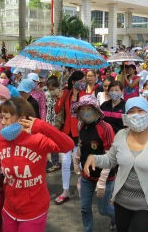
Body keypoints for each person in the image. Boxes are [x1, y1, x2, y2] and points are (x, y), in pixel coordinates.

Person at [0, 98, 75, 231]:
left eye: (6, 118)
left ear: (21, 118)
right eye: (1, 118)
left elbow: (68, 145)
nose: (2, 122)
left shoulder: (37, 139)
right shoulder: (3, 139)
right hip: (9, 208)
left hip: (33, 212)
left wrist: (43, 126)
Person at [83, 97, 148, 232]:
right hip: (121, 203)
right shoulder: (121, 135)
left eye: (140, 111)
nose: (136, 115)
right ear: (126, 116)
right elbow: (110, 160)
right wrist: (94, 158)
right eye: (131, 111)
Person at [72, 95, 116, 232]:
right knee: (85, 208)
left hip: (105, 177)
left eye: (89, 108)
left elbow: (111, 156)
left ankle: (118, 217)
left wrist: (102, 180)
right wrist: (77, 160)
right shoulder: (81, 125)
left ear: (96, 109)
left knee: (103, 210)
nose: (86, 111)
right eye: (82, 109)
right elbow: (81, 145)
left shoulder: (106, 128)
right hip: (87, 176)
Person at [54, 71, 86, 205]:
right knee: (66, 163)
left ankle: (81, 184)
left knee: (78, 163)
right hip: (66, 132)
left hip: (80, 133)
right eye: (81, 80)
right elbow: (57, 110)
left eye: (84, 81)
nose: (83, 83)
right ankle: (65, 190)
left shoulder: (85, 95)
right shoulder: (65, 93)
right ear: (74, 82)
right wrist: (59, 98)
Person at [45, 76, 62, 172]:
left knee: (56, 142)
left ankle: (57, 162)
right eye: (49, 89)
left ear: (57, 87)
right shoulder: (46, 94)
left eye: (53, 89)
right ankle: (55, 162)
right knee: (51, 143)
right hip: (49, 121)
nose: (51, 91)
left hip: (58, 122)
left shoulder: (61, 94)